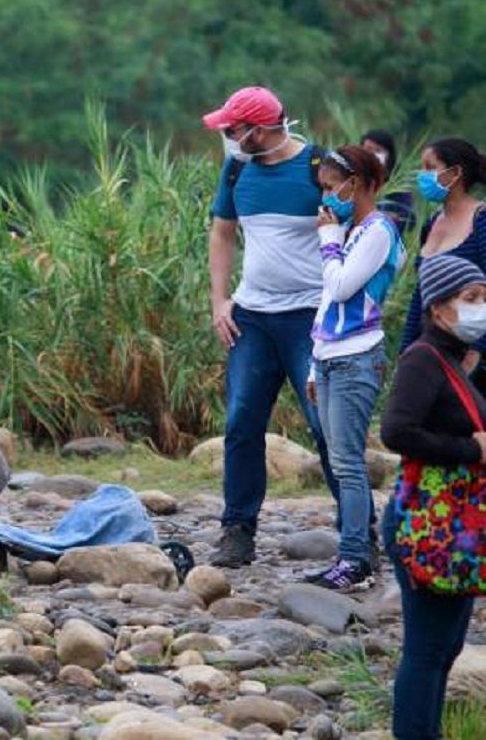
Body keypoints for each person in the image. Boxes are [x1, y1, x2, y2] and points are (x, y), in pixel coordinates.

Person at [202, 85, 336, 567]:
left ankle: (357, 530)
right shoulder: (237, 168)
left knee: (325, 423)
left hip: (311, 318)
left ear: (260, 129)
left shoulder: (319, 167)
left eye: (233, 129)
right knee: (241, 422)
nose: (227, 136)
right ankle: (237, 530)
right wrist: (220, 301)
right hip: (252, 317)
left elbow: (357, 228)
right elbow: (222, 231)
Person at [380, 255, 486, 740]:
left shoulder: (453, 360)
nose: (480, 309)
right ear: (440, 307)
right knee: (425, 650)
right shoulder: (423, 358)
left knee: (445, 648)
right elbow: (397, 431)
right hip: (428, 522)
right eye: (471, 300)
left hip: (455, 525)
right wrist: (468, 449)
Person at [304, 146, 404, 591]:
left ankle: (355, 559)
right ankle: (352, 555)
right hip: (329, 358)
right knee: (340, 458)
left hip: (357, 357)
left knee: (347, 463)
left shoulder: (379, 231)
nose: (327, 197)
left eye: (331, 186)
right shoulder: (351, 230)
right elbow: (326, 304)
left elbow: (342, 288)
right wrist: (312, 363)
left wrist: (327, 240)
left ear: (358, 184)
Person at [399, 138, 486, 389]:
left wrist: (477, 350)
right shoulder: (433, 222)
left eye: (430, 167)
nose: (423, 175)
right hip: (434, 348)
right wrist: (407, 347)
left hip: (471, 347)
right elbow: (422, 291)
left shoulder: (480, 219)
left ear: (455, 173)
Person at [361, 129, 415, 233]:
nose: (372, 154)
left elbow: (408, 219)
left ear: (389, 155)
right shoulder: (352, 178)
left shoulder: (396, 183)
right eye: (368, 149)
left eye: (378, 151)